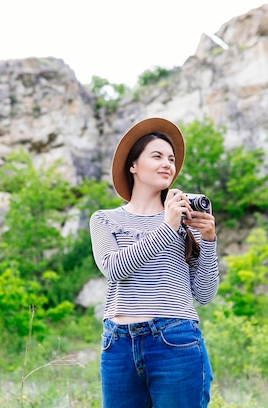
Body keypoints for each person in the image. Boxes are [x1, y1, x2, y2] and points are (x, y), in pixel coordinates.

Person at [89, 117, 221, 408]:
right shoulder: (105, 219)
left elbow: (205, 294)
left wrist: (209, 241)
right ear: (133, 165)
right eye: (157, 156)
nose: (168, 164)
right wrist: (167, 227)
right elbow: (114, 269)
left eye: (171, 159)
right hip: (118, 344)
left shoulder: (185, 223)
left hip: (176, 341)